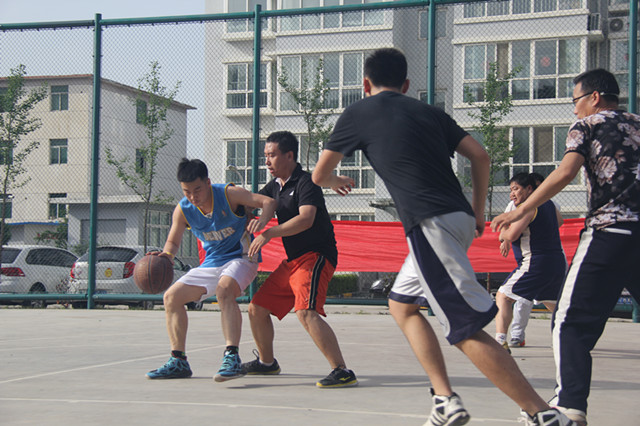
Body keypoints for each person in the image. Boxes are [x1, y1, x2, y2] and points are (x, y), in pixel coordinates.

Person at [312, 47, 575, 426]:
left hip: (430, 224)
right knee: (401, 305)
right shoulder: (431, 112)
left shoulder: (358, 112)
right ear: (405, 85)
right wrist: (478, 211)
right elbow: (480, 156)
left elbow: (319, 175)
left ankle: (542, 414)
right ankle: (443, 399)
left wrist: (337, 180)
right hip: (457, 219)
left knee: (465, 329)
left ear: (365, 84)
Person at [492, 69, 640, 426]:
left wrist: (521, 210)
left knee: (568, 323)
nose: (574, 109)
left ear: (594, 97)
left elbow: (565, 173)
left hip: (610, 231)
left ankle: (568, 406)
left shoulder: (587, 125)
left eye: (576, 100)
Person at [241, 130, 357, 388]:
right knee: (256, 309)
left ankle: (342, 370)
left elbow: (306, 219)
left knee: (306, 311)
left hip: (316, 257)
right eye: (265, 156)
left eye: (272, 155)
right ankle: (267, 363)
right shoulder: (275, 187)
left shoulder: (306, 183)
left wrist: (268, 232)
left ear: (289, 155)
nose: (267, 161)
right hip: (293, 262)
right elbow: (251, 203)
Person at [146, 158, 277, 382]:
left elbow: (269, 201)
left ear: (207, 182)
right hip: (212, 263)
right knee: (171, 297)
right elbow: (173, 242)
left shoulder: (229, 194)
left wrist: (262, 221)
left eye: (197, 189)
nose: (193, 196)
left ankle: (231, 356)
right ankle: (178, 361)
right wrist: (167, 255)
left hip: (242, 258)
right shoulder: (183, 209)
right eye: (187, 191)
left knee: (224, 290)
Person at [494, 173, 567, 353]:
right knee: (554, 305)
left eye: (516, 189)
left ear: (529, 189)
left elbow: (512, 235)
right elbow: (559, 221)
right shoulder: (548, 203)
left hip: (536, 262)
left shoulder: (527, 207)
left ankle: (500, 341)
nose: (512, 193)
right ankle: (573, 337)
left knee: (503, 296)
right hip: (556, 262)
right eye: (511, 189)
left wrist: (503, 233)